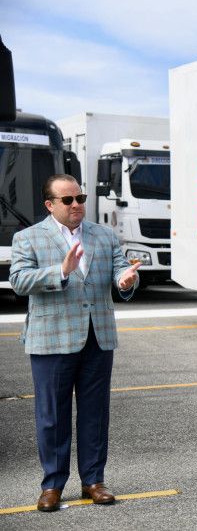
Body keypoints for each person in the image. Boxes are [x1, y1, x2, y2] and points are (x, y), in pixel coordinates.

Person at [10, 174, 140, 512]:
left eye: (80, 198)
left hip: (97, 338)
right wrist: (61, 271)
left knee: (95, 414)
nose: (77, 205)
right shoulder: (28, 237)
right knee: (52, 416)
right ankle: (52, 484)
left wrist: (126, 280)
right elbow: (19, 281)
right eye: (68, 200)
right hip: (51, 339)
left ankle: (94, 481)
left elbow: (121, 273)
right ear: (50, 205)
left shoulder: (104, 235)